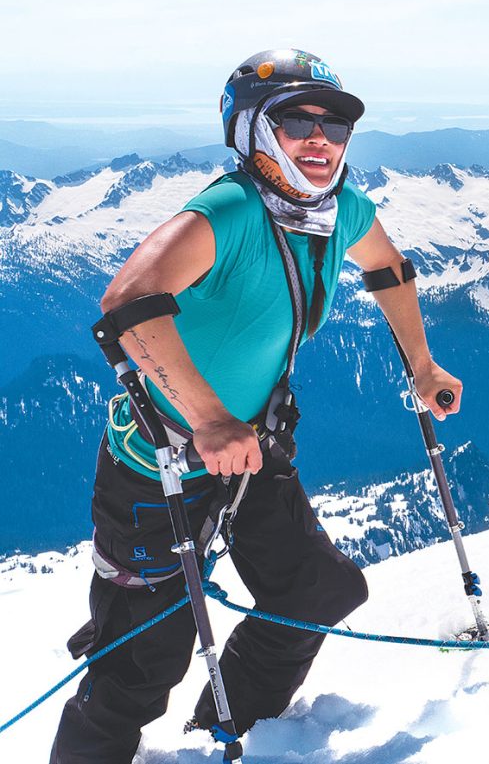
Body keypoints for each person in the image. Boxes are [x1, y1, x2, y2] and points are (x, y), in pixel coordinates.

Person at [50, 48, 462, 763]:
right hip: (154, 470)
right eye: (296, 120)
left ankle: (226, 736)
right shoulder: (231, 210)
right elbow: (125, 305)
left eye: (334, 126)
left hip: (249, 450)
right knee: (138, 672)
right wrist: (207, 419)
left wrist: (422, 366)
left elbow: (388, 268)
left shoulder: (339, 211)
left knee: (316, 591)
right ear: (249, 131)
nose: (320, 140)